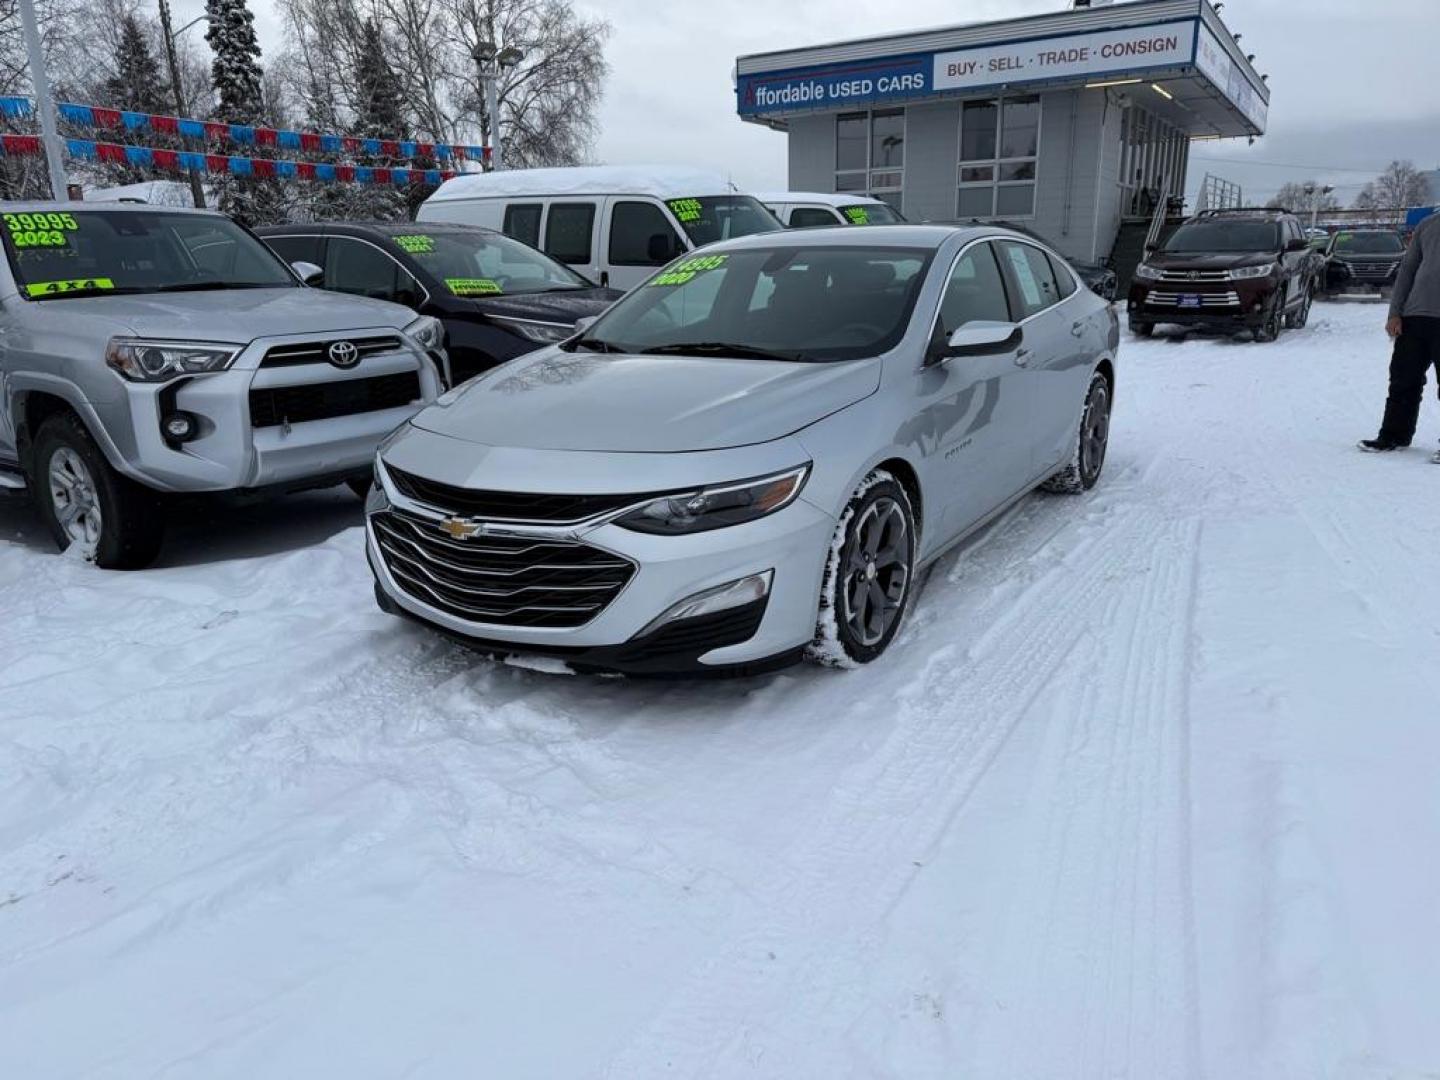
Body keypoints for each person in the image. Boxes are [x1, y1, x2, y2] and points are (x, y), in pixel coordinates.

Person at [1359, 214, 1440, 460]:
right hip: (1415, 315)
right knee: (1403, 380)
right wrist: (1395, 313)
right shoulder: (1428, 224)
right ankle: (1394, 435)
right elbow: (1408, 270)